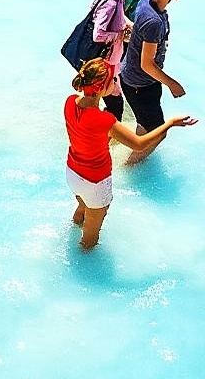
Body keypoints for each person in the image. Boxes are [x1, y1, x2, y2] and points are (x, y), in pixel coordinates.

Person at [66, 58, 197, 249]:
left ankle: (74, 227)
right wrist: (170, 123)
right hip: (95, 182)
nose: (116, 82)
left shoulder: (69, 102)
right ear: (102, 88)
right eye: (114, 80)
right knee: (90, 240)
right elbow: (139, 144)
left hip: (72, 173)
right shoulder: (105, 120)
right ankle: (81, 260)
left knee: (82, 207)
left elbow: (87, 130)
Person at [118, 0, 186, 162]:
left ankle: (133, 155)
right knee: (158, 132)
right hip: (140, 84)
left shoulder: (147, 0)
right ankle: (129, 168)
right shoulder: (153, 22)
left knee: (145, 125)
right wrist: (172, 84)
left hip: (136, 79)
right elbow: (146, 64)